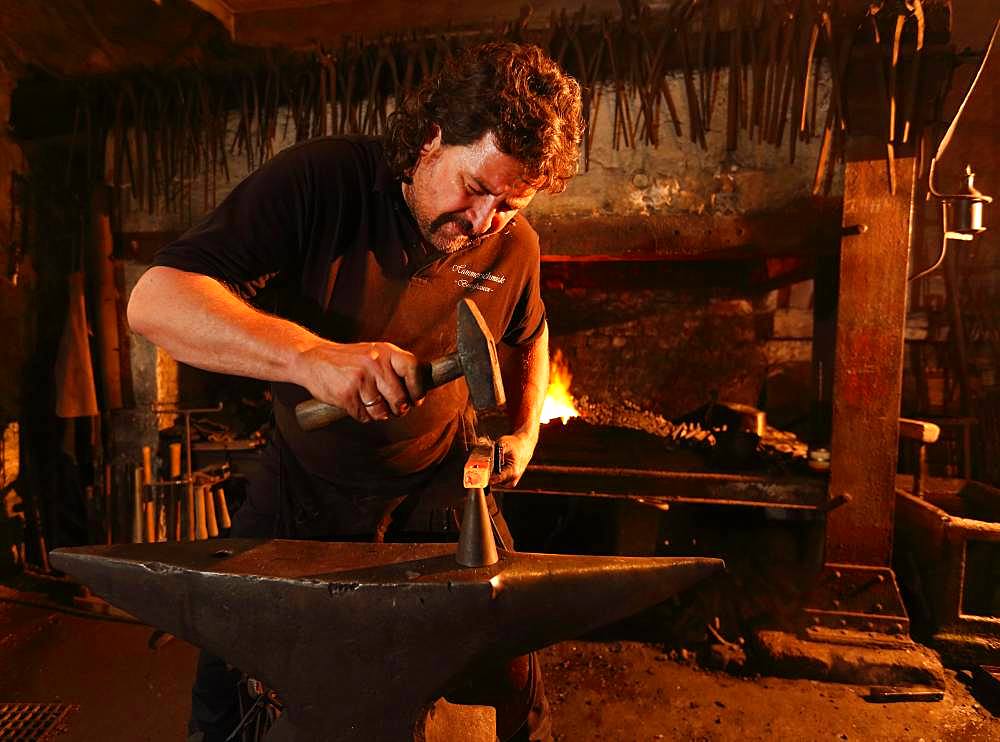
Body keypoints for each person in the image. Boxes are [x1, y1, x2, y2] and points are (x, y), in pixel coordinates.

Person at [127, 41, 583, 742]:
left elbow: (528, 333)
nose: (484, 221)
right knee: (226, 686)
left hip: (441, 493)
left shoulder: (513, 244)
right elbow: (156, 302)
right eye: (474, 187)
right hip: (306, 483)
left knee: (511, 692)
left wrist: (522, 428)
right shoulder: (323, 182)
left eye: (510, 203)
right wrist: (310, 356)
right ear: (432, 137)